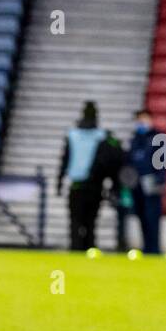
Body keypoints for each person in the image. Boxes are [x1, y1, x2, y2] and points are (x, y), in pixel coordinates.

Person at [57, 101, 106, 250]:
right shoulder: (101, 136)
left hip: (77, 184)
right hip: (95, 185)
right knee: (90, 221)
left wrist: (59, 181)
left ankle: (76, 247)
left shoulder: (73, 134)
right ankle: (88, 247)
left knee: (76, 221)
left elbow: (65, 159)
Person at [126, 108, 164, 254]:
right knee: (141, 216)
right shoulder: (135, 139)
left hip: (151, 182)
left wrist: (160, 179)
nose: (140, 123)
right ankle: (146, 247)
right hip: (136, 184)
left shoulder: (157, 138)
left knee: (152, 217)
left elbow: (163, 160)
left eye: (143, 119)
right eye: (138, 120)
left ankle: (154, 248)